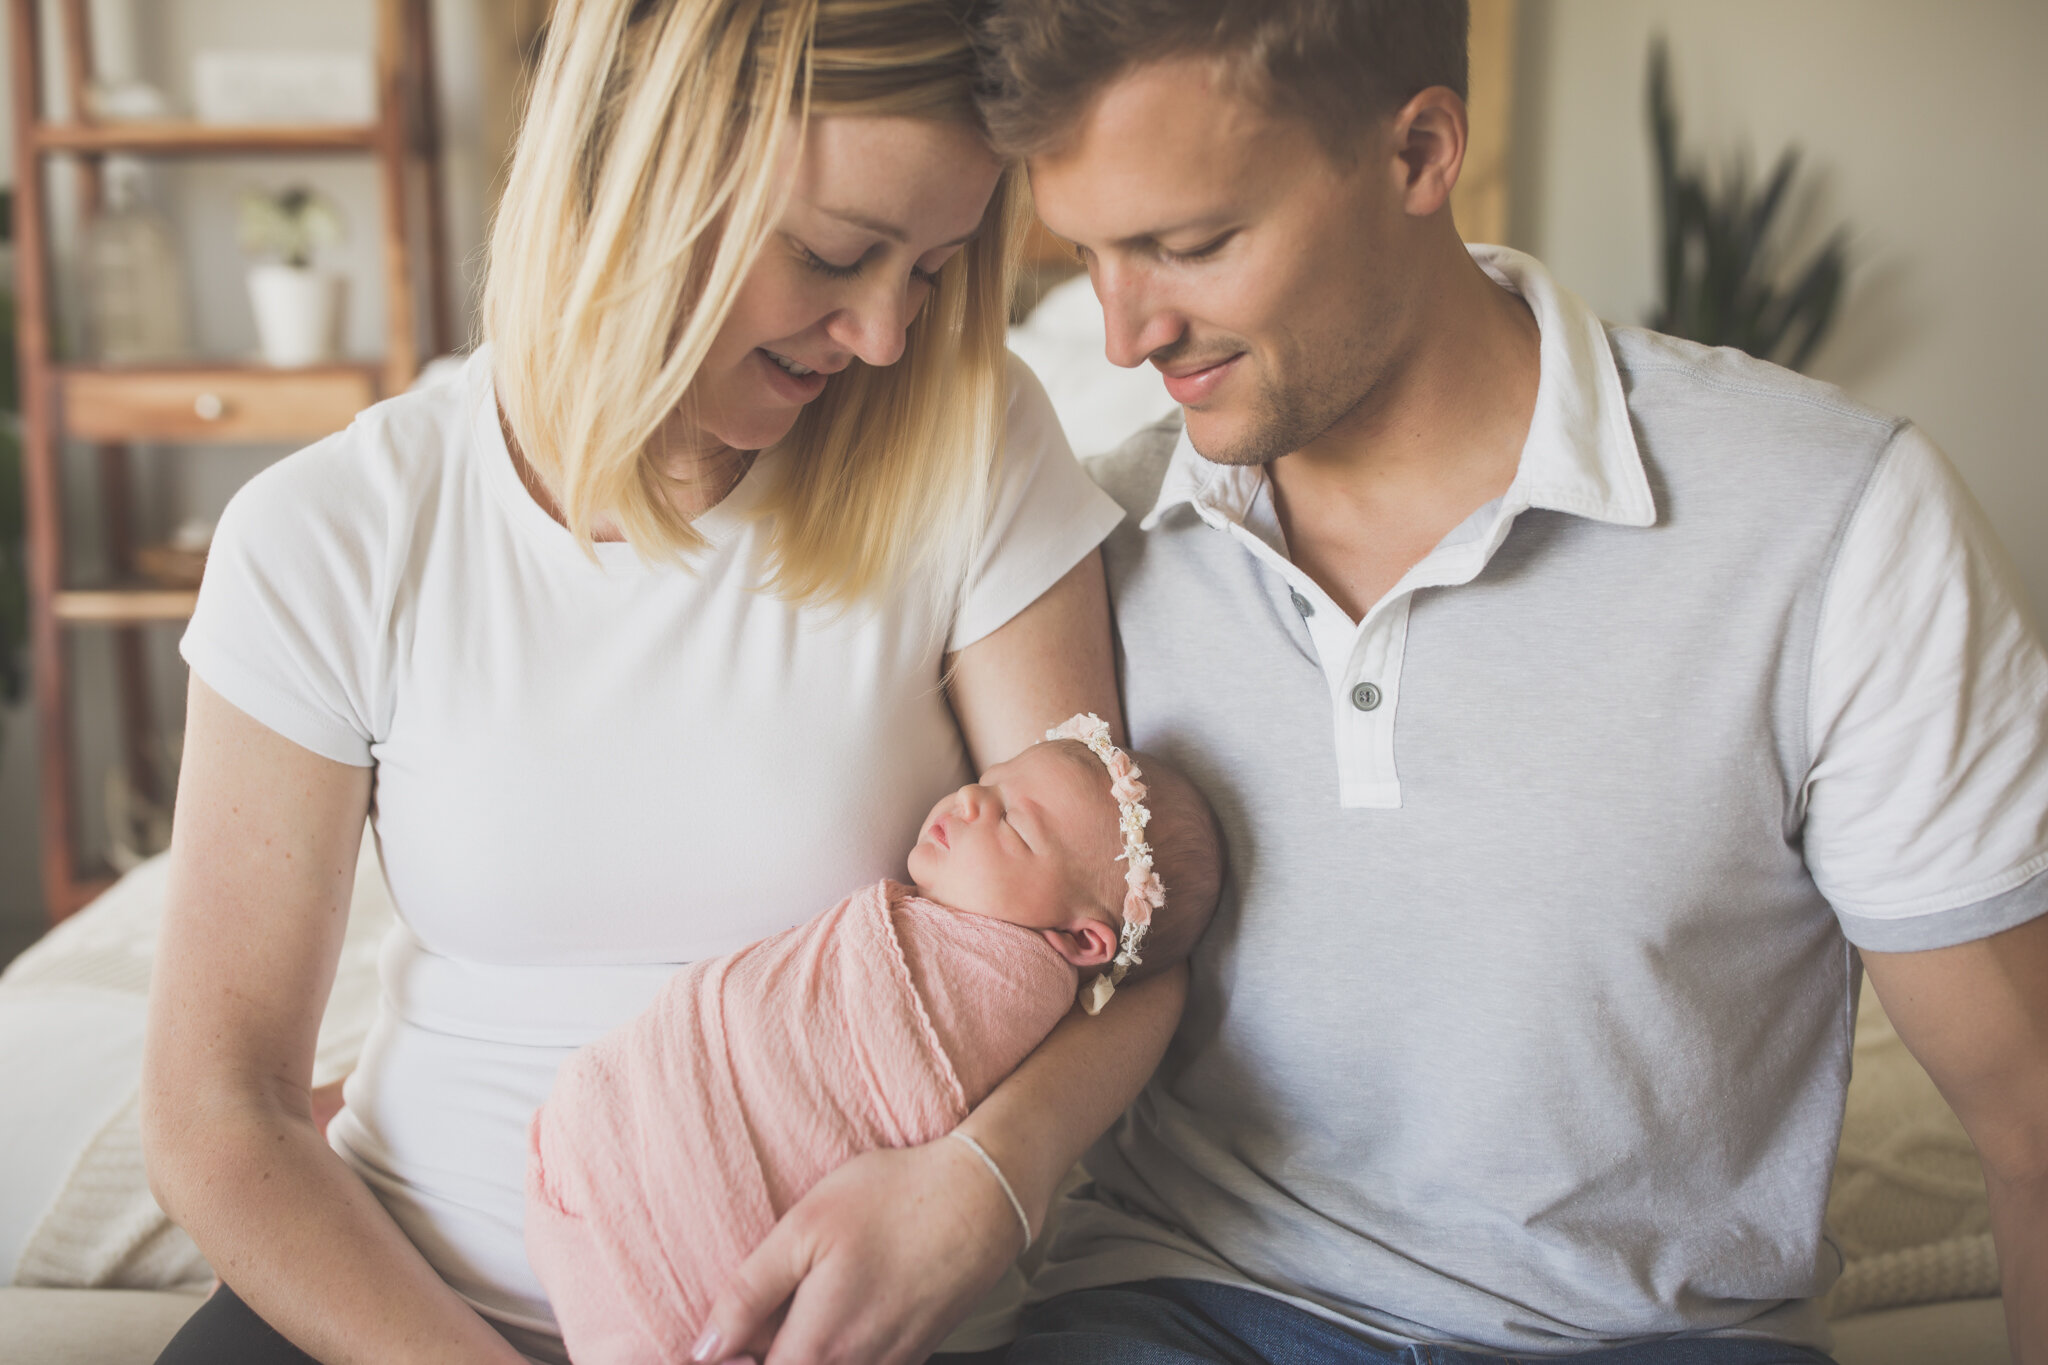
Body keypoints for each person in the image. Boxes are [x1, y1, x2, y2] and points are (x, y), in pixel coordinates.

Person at [953, 0, 2042, 1361]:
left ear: (1419, 152)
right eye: (1092, 257)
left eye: (1190, 245)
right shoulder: (1082, 555)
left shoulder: (1833, 526)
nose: (1125, 335)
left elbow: (2030, 1105)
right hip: (1173, 1309)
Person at [139, 2, 1189, 1363]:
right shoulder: (333, 534)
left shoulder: (968, 444)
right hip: (405, 1307)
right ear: (640, 165)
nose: (882, 335)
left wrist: (991, 1183)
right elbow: (221, 1117)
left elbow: (1139, 928)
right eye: (834, 255)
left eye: (929, 271)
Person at [527, 724, 1224, 1365]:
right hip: (615, 1130)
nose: (975, 797)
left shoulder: (1009, 988)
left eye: (1014, 823)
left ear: (1079, 941)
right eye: (993, 777)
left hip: (687, 1244)